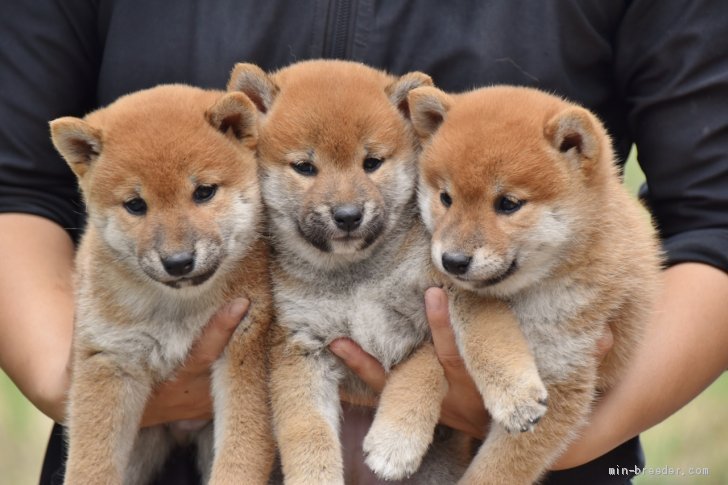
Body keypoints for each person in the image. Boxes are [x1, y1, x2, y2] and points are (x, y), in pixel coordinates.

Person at [1, 1, 726, 484]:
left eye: (378, 165)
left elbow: (715, 218)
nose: (345, 203)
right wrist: (90, 377)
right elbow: (16, 186)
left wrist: (573, 422)